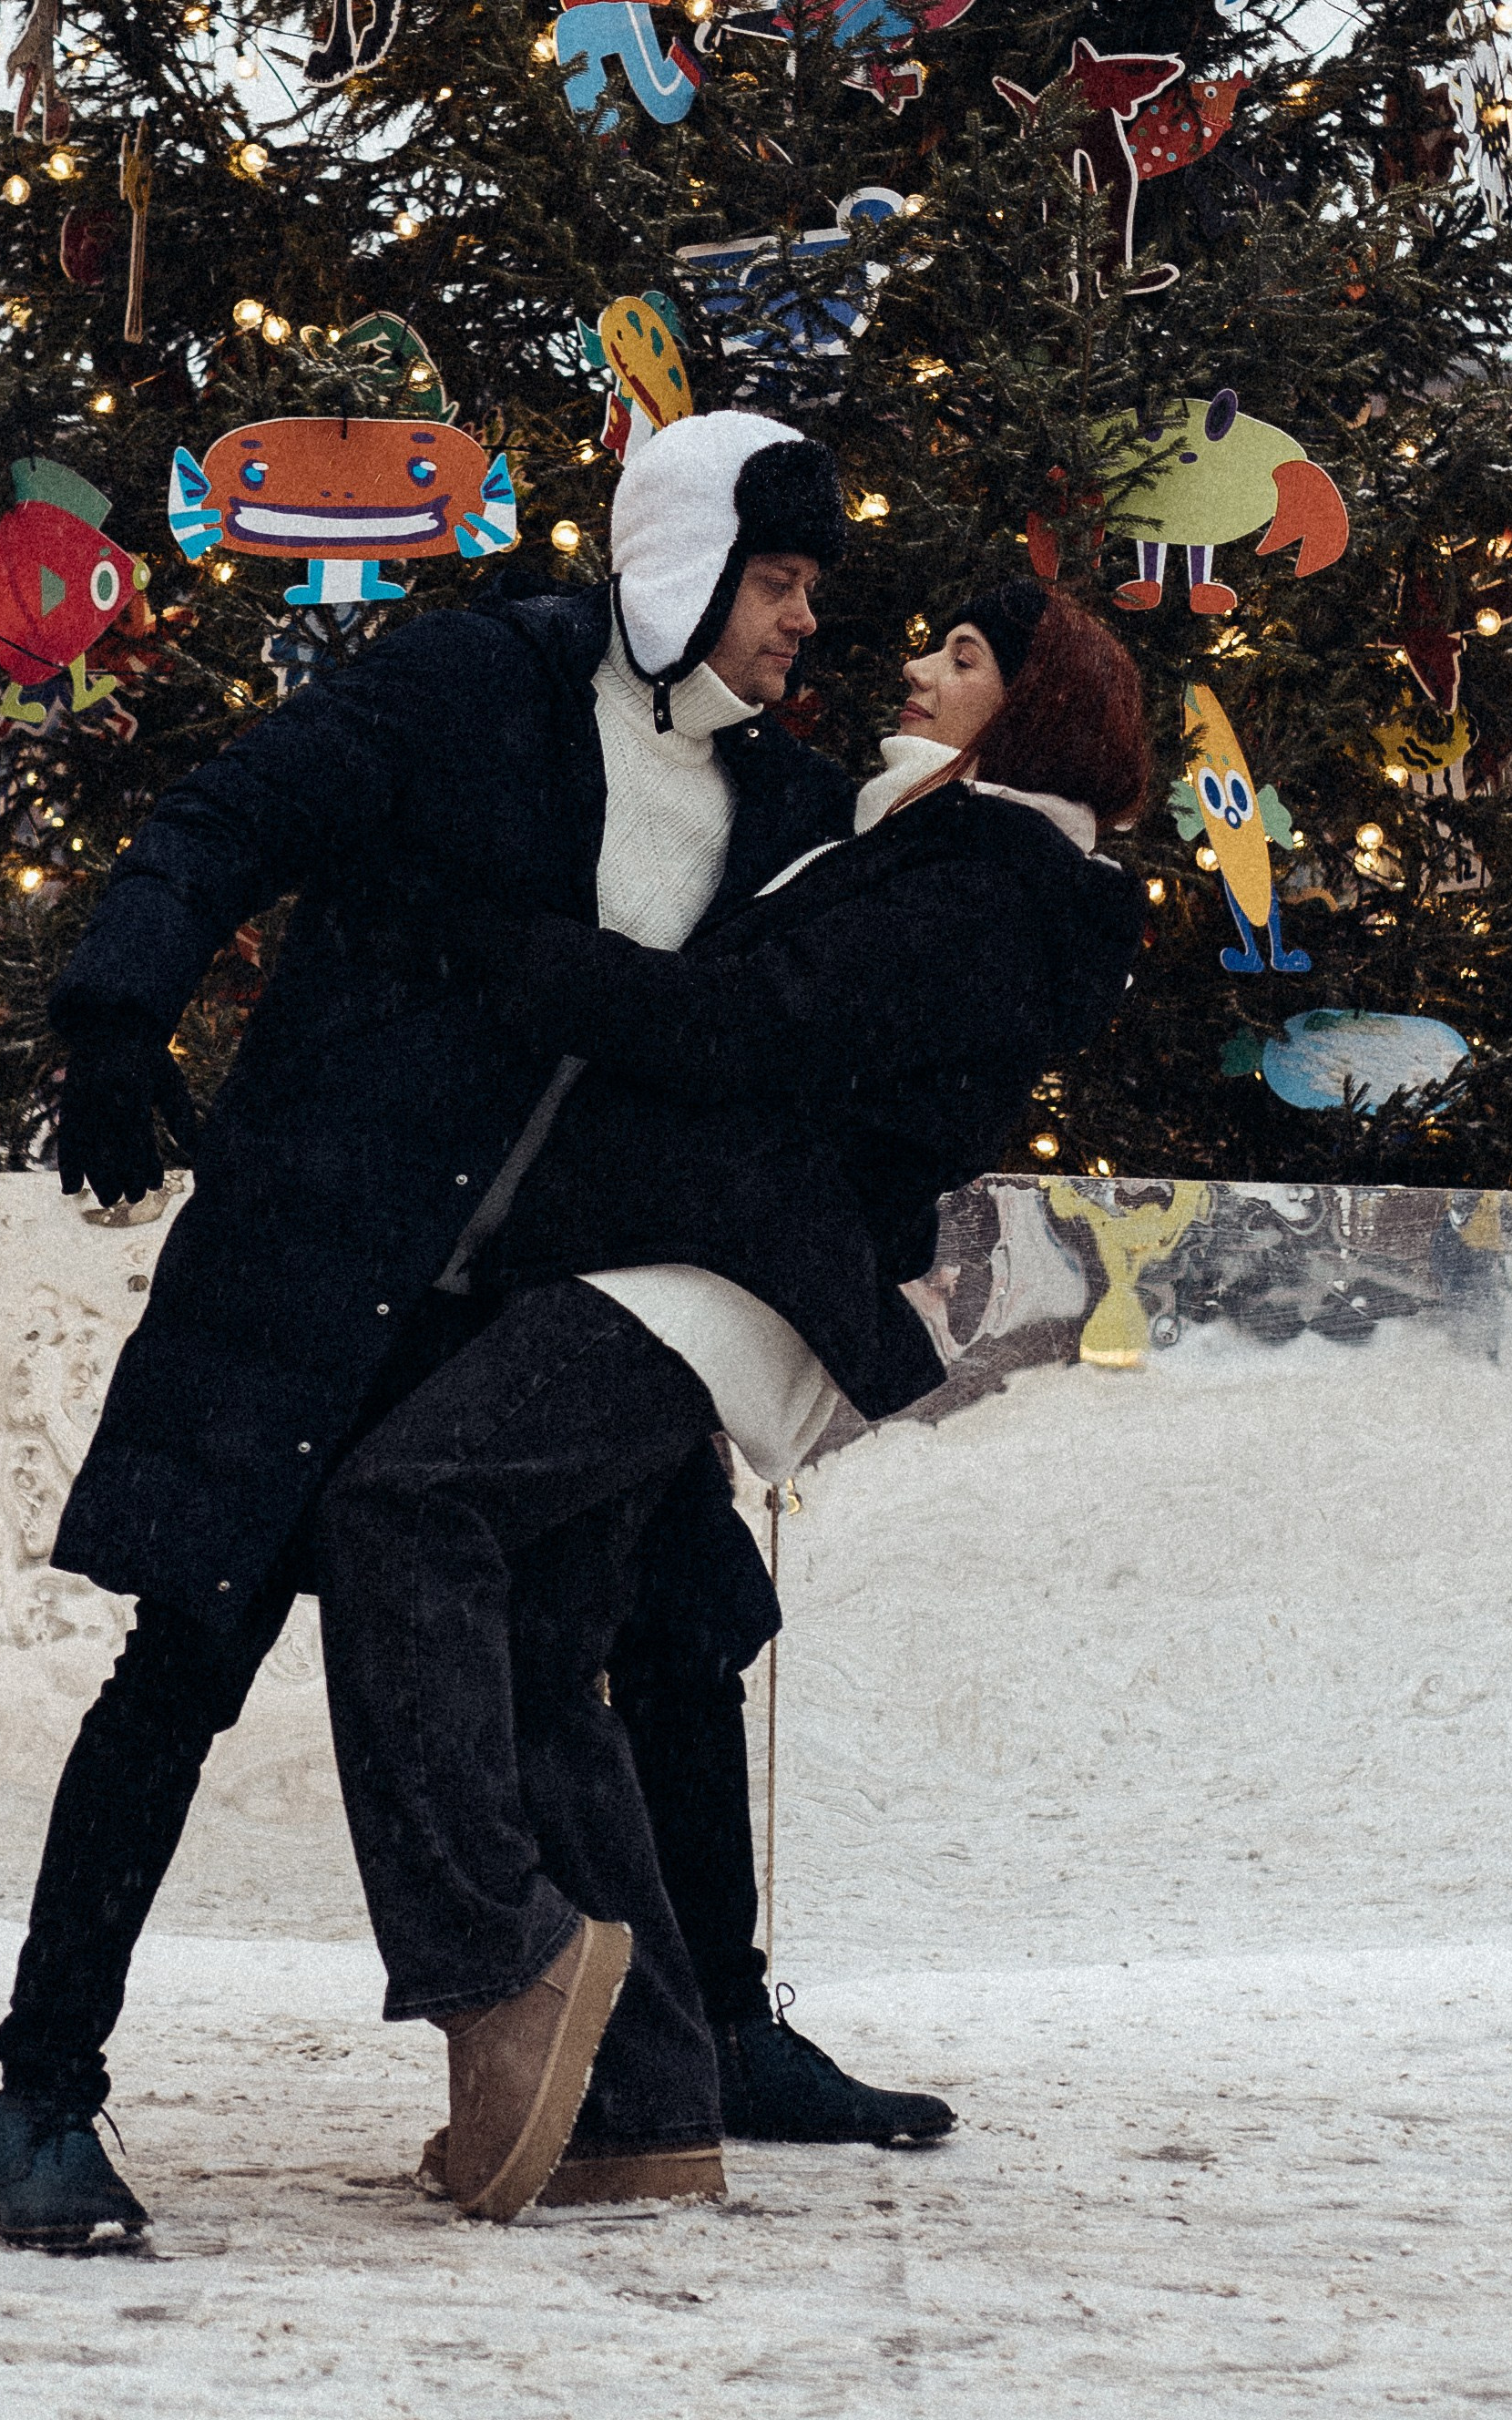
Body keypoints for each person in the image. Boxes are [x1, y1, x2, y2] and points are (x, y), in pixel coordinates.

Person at [0, 410, 952, 2251]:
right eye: (775, 578)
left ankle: (719, 2036)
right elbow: (228, 813)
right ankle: (43, 2094)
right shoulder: (470, 688)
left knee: (679, 1631)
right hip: (312, 1263)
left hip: (524, 1320)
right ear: (682, 566)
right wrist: (113, 1015)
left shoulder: (775, 802)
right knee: (181, 1671)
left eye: (811, 586)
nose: (805, 618)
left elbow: (868, 989)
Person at [313, 582, 1150, 2220]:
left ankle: (498, 1957)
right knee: (549, 1644)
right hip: (685, 1249)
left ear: (1045, 707)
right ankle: (643, 2100)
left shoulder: (996, 884)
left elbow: (750, 1028)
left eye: (964, 656)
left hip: (725, 1269)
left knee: (406, 1503)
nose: (916, 662)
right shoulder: (929, 840)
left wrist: (507, 951)